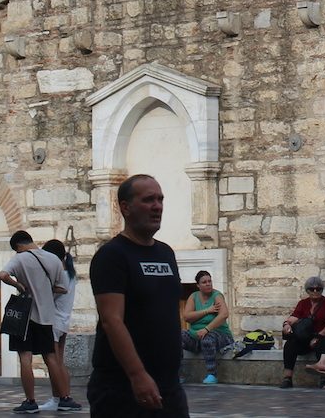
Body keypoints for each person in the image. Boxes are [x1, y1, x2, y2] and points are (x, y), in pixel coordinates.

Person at [88, 174, 186, 417]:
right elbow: (112, 320)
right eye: (148, 200)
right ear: (125, 207)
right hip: (123, 388)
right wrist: (137, 374)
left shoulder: (166, 253)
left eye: (160, 199)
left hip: (169, 387)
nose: (157, 206)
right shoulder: (112, 256)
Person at [1, 230, 73, 414]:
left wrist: (18, 285)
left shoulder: (19, 259)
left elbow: (3, 275)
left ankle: (30, 401)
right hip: (46, 317)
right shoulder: (54, 260)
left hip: (25, 316)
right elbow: (62, 288)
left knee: (25, 358)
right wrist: (45, 290)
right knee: (51, 358)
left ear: (18, 246)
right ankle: (64, 397)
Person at [277, 276, 325, 388]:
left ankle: (324, 377)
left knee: (321, 344)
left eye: (318, 289)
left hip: (321, 335)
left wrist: (318, 336)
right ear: (307, 290)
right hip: (304, 337)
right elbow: (294, 317)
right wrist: (286, 324)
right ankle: (287, 377)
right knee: (290, 345)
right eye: (312, 289)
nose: (315, 291)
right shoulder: (303, 303)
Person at [180, 270, 233, 384]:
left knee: (208, 338)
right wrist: (207, 311)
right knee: (177, 336)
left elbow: (224, 314)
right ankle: (179, 374)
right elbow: (187, 316)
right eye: (204, 282)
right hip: (196, 335)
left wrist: (206, 329)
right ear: (198, 285)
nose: (208, 284)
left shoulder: (217, 296)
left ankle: (212, 375)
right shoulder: (193, 297)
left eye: (209, 281)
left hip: (219, 335)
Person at [40, 240, 78, 389]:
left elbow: (49, 296)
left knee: (53, 361)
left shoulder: (58, 274)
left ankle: (60, 398)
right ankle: (65, 396)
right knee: (59, 362)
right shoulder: (70, 274)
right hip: (64, 321)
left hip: (54, 321)